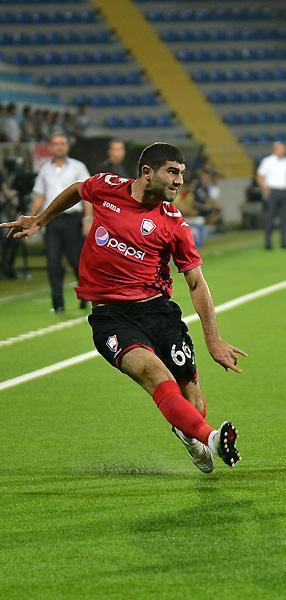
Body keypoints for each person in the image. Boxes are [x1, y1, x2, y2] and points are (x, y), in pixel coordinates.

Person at [1, 142, 244, 472]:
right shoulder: (107, 187)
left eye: (182, 173)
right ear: (147, 173)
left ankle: (189, 432)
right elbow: (77, 190)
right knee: (155, 375)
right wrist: (41, 219)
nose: (179, 181)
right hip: (112, 318)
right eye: (172, 172)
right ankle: (212, 438)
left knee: (193, 398)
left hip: (159, 312)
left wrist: (213, 339)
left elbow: (196, 283)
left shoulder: (175, 225)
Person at [30, 132, 91, 313]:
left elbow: (87, 194)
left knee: (76, 261)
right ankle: (58, 304)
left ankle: (84, 296)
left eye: (62, 143)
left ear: (67, 146)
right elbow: (39, 197)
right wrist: (32, 219)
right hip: (52, 220)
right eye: (56, 143)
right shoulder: (45, 169)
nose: (59, 146)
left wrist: (88, 218)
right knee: (53, 262)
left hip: (73, 219)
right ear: (50, 147)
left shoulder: (78, 167)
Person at [256, 141, 286, 250]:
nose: (283, 151)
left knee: (284, 218)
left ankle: (284, 242)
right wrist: (265, 188)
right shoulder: (267, 161)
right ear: (275, 150)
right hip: (273, 191)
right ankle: (268, 243)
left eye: (283, 149)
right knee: (270, 218)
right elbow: (260, 176)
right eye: (281, 149)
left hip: (284, 191)